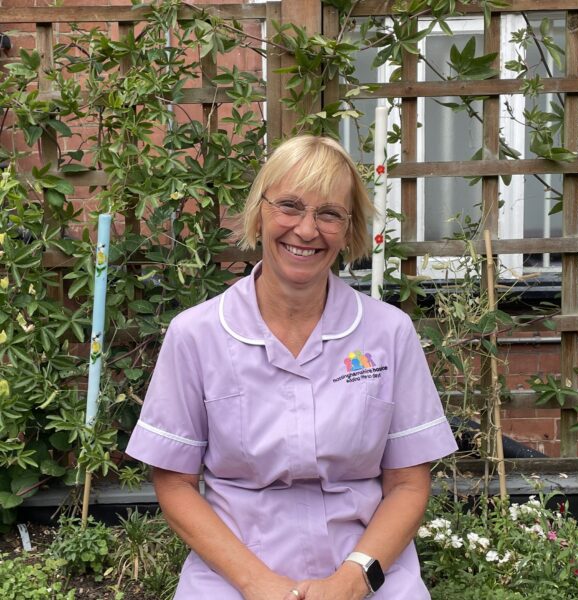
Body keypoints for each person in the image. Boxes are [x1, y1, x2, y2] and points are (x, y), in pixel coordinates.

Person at [126, 135, 458, 599]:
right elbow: (175, 482)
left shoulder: (388, 333)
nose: (306, 230)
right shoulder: (196, 335)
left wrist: (353, 580)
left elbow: (406, 483)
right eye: (289, 206)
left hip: (366, 566)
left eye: (329, 214)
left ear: (349, 229)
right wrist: (257, 583)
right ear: (260, 211)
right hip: (235, 572)